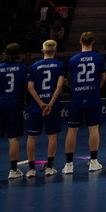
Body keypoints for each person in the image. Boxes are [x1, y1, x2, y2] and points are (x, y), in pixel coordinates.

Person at [63, 31, 106, 174]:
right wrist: (94, 88)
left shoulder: (73, 60)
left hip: (77, 97)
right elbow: (102, 78)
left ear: (80, 42)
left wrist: (76, 88)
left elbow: (68, 80)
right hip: (93, 96)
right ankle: (94, 161)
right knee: (93, 128)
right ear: (93, 42)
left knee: (72, 130)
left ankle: (69, 165)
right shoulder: (99, 58)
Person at [0, 43, 29, 181]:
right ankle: (13, 170)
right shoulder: (23, 69)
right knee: (13, 138)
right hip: (14, 103)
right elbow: (26, 88)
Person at [26, 39, 64, 176]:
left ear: (42, 51)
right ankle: (50, 167)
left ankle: (31, 169)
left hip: (37, 106)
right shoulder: (59, 65)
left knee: (32, 136)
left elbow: (30, 87)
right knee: (52, 136)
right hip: (52, 105)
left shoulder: (34, 66)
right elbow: (59, 87)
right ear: (55, 50)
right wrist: (50, 104)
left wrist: (40, 103)